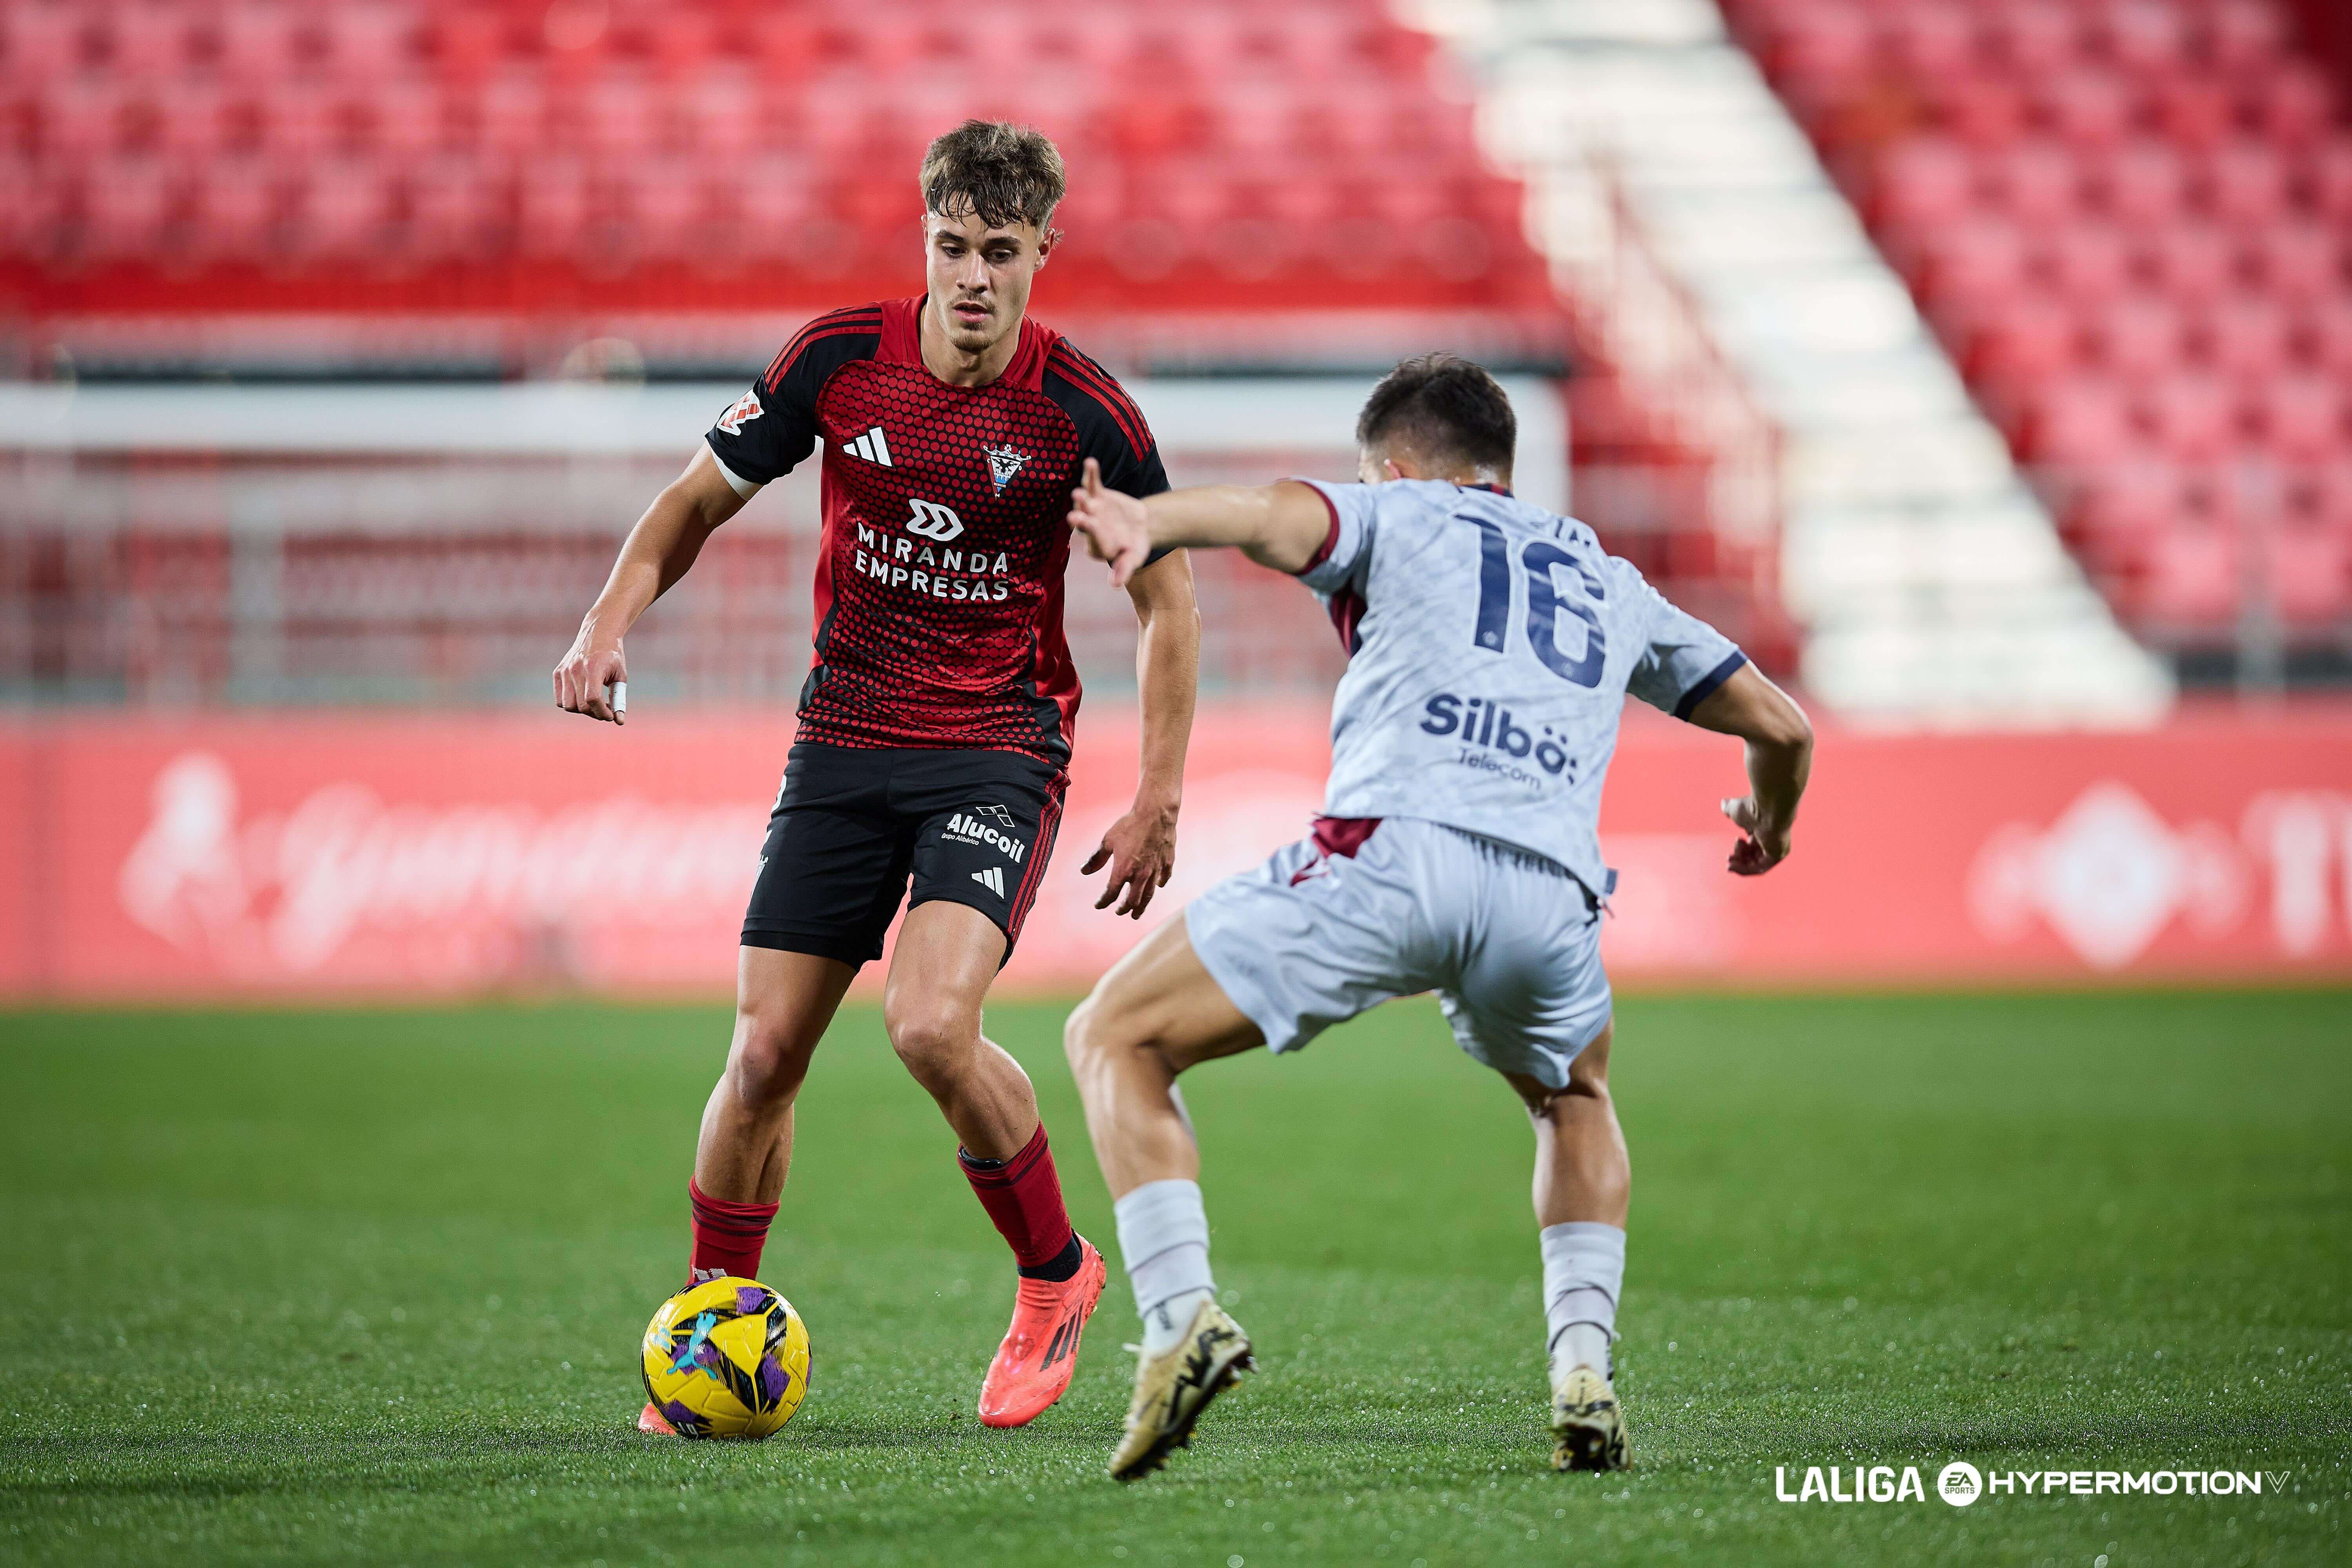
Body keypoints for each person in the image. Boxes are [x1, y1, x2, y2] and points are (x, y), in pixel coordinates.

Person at [553, 120, 1201, 1434]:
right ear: (926, 238)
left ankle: (1057, 1275)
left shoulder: (1084, 414)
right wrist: (605, 619)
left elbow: (1168, 605)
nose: (972, 276)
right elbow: (692, 502)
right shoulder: (837, 364)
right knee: (762, 1052)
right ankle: (712, 1326)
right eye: (952, 246)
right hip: (844, 739)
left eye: (1001, 253)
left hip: (995, 747)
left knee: (926, 1025)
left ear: (1040, 256)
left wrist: (1158, 795)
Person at [1059, 354, 1813, 1479]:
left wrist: (1144, 518)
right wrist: (1772, 821)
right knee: (1575, 1097)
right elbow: (1785, 727)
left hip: (1393, 854)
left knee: (1112, 1036)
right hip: (1550, 898)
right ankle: (1583, 1371)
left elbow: (1273, 516)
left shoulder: (1394, 510)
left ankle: (1179, 1318)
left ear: (1400, 466)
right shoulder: (1607, 577)